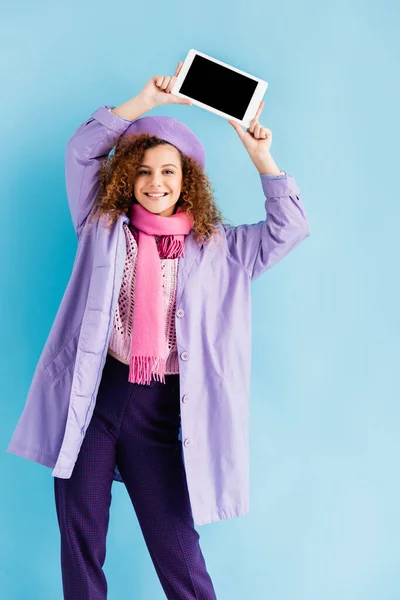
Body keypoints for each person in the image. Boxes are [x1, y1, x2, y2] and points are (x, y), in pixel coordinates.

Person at [6, 60, 311, 599]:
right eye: (143, 171)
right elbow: (82, 152)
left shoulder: (222, 250)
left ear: (187, 179)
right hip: (96, 399)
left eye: (168, 171)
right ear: (128, 178)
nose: (155, 183)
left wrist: (261, 156)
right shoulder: (101, 225)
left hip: (162, 411)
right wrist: (146, 102)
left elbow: (290, 228)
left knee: (176, 547)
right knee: (79, 537)